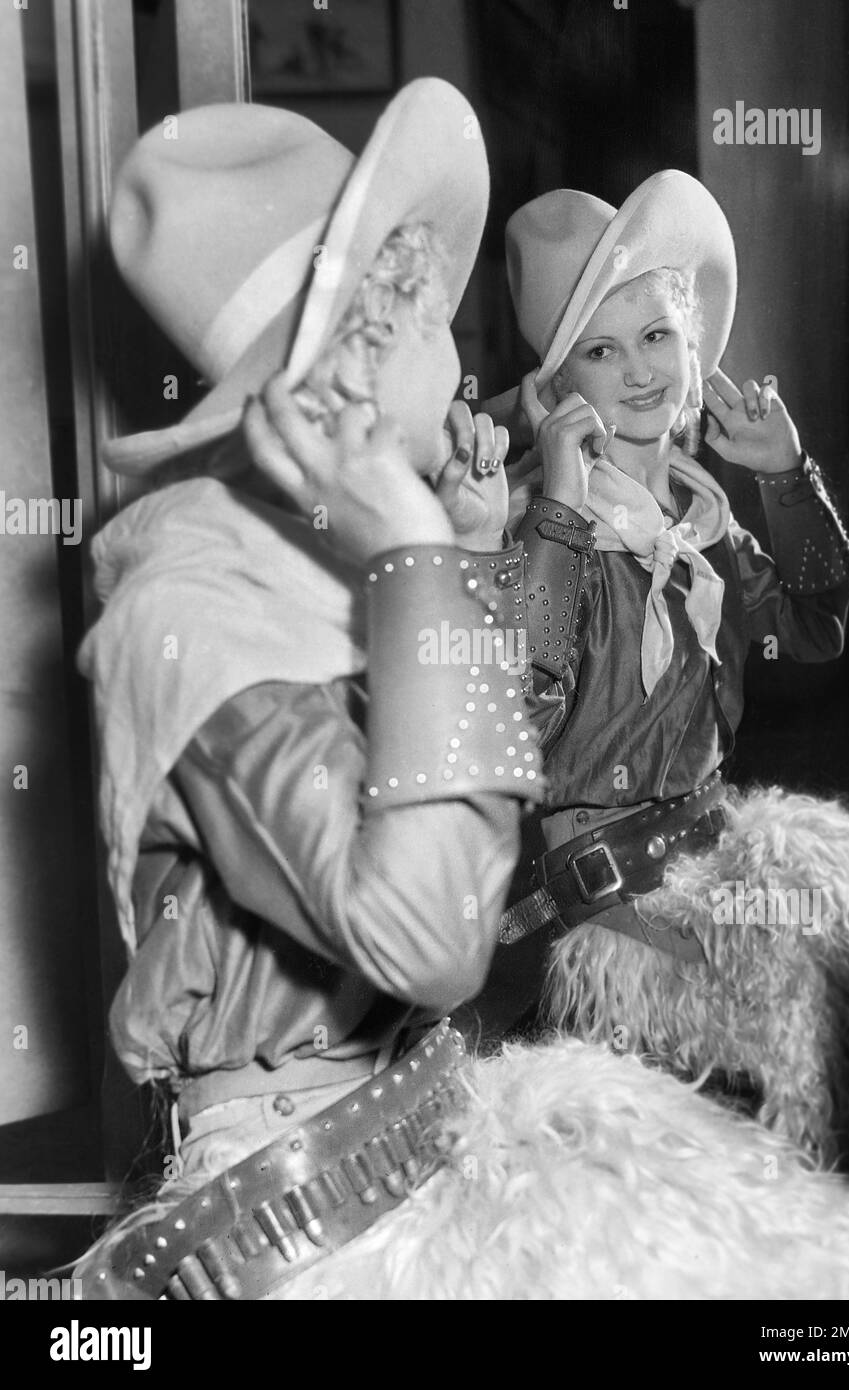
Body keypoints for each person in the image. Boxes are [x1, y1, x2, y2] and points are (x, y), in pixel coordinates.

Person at [75, 79, 541, 1301]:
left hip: (391, 1125)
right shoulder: (197, 611)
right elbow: (434, 938)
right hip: (294, 1206)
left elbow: (481, 843)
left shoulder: (317, 552)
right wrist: (418, 562)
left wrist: (453, 565)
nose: (458, 364)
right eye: (424, 319)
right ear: (340, 368)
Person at [489, 171, 849, 999]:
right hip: (605, 925)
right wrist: (558, 507)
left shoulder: (706, 518)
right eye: (601, 350)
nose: (639, 372)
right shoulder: (531, 522)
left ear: (695, 344)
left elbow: (814, 629)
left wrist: (788, 477)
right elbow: (517, 716)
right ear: (559, 388)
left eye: (657, 336)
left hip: (707, 868)